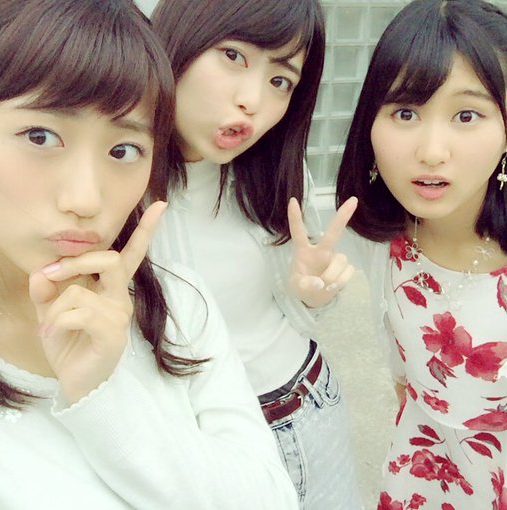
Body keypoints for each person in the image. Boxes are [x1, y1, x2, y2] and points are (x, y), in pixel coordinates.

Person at [0, 1, 299, 508]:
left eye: (123, 151)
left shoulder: (181, 306)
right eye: (41, 136)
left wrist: (104, 399)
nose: (86, 199)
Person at [335, 0, 507, 507]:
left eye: (466, 115)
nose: (431, 151)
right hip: (419, 478)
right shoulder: (381, 235)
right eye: (405, 112)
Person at [149, 1, 363, 508]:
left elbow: (292, 313)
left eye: (280, 81)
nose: (253, 101)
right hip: (200, 444)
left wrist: (309, 294)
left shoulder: (270, 175)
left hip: (309, 408)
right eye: (233, 56)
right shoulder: (112, 184)